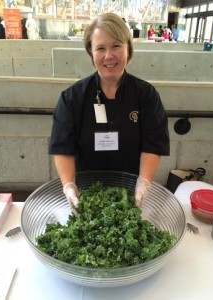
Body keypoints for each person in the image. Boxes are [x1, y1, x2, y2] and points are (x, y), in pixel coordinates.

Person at [49, 13, 170, 215]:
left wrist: (143, 184)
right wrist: (70, 188)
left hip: (130, 196)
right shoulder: (72, 98)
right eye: (100, 48)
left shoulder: (146, 95)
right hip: (85, 195)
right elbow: (63, 147)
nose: (108, 56)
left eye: (116, 46)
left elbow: (153, 143)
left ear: (128, 48)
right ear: (91, 52)